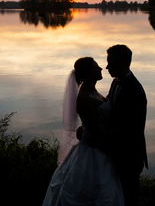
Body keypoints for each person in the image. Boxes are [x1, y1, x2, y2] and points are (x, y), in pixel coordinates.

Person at [42, 57, 124, 206]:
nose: (100, 69)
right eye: (96, 67)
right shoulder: (85, 97)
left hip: (100, 148)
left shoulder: (93, 91)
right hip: (93, 150)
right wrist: (121, 131)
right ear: (86, 74)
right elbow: (95, 134)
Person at [103, 44, 148, 206]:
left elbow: (130, 129)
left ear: (122, 62)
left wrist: (98, 135)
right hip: (118, 151)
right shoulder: (116, 82)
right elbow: (108, 106)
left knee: (129, 196)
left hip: (130, 153)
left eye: (111, 63)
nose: (107, 67)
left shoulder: (134, 90)